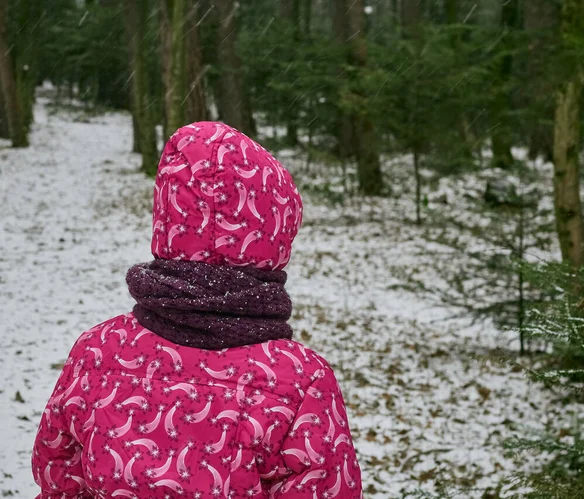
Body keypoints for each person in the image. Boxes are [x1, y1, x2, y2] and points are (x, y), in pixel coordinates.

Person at [32, 122, 362, 498]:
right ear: (276, 236)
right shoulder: (299, 382)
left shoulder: (98, 352)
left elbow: (58, 477)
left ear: (168, 220)